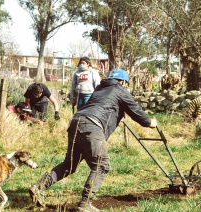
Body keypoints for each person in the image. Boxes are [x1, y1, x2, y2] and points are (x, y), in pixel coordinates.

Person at [29, 69, 157, 211]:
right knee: (102, 165)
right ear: (123, 82)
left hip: (76, 122)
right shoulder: (120, 90)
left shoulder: (99, 89)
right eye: (126, 83)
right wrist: (150, 122)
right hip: (92, 126)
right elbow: (136, 111)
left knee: (70, 164)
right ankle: (85, 205)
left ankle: (38, 187)